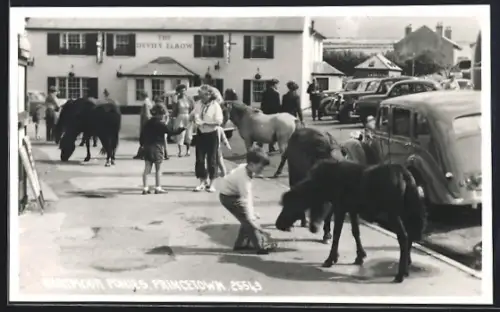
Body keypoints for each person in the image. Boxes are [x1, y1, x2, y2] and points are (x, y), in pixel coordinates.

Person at [218, 147, 278, 254]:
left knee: (245, 219)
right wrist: (251, 217)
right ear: (251, 165)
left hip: (230, 194)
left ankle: (240, 244)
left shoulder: (245, 168)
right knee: (249, 222)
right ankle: (261, 246)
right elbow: (246, 198)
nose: (261, 170)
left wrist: (250, 214)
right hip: (229, 197)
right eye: (260, 168)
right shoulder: (244, 179)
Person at [140, 103, 185, 195]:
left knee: (147, 169)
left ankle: (145, 188)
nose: (164, 116)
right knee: (158, 169)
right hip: (157, 147)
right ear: (160, 114)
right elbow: (170, 132)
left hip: (148, 146)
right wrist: (181, 129)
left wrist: (142, 145)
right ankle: (158, 187)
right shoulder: (160, 124)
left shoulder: (147, 123)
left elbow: (142, 136)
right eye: (164, 114)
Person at [191, 84, 224, 192]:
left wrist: (205, 123)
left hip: (211, 134)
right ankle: (202, 182)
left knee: (212, 159)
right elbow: (193, 114)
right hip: (200, 134)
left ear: (208, 94)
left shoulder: (215, 106)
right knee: (200, 159)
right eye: (200, 93)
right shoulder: (198, 104)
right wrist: (193, 118)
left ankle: (212, 184)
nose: (200, 96)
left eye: (202, 94)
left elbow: (219, 121)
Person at [171, 84, 195, 157]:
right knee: (180, 133)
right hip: (180, 116)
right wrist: (175, 96)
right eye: (181, 91)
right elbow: (174, 108)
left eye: (184, 90)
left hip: (188, 116)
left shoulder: (189, 99)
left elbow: (193, 108)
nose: (183, 92)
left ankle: (188, 150)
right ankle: (180, 151)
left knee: (188, 134)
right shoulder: (177, 99)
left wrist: (192, 116)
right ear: (178, 91)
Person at [259, 79, 281, 153]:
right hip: (273, 114)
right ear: (273, 85)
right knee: (273, 130)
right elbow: (278, 105)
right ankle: (271, 146)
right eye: (276, 84)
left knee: (264, 129)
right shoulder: (276, 93)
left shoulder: (264, 92)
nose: (277, 86)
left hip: (265, 113)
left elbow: (262, 104)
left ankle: (260, 144)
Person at [133, 91, 153, 160]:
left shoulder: (145, 103)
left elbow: (147, 115)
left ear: (143, 96)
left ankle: (143, 154)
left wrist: (145, 125)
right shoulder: (149, 102)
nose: (139, 97)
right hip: (148, 123)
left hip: (146, 123)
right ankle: (141, 154)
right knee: (144, 140)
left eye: (140, 96)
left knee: (143, 140)